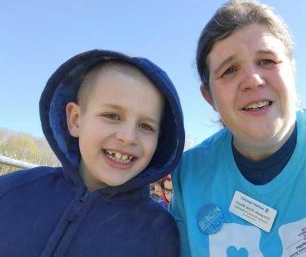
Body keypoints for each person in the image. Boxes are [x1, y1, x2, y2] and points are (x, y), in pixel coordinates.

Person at [170, 0, 306, 256]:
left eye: (267, 61)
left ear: (292, 70)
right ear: (209, 97)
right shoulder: (189, 176)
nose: (252, 80)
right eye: (229, 70)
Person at [0, 49, 185, 256]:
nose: (128, 137)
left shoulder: (161, 235)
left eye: (146, 126)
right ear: (75, 120)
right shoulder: (12, 192)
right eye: (112, 115)